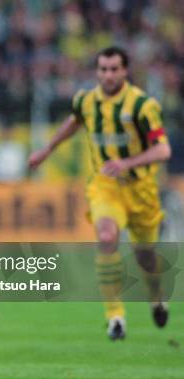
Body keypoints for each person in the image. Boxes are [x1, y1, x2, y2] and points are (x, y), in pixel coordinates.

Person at [28, 46, 171, 340]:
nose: (107, 75)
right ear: (97, 71)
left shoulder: (143, 106)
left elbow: (163, 149)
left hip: (141, 190)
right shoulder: (86, 100)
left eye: (114, 69)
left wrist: (126, 162)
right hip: (105, 186)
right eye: (103, 69)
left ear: (125, 71)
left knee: (145, 257)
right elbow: (74, 122)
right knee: (106, 237)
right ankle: (115, 316)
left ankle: (156, 297)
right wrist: (47, 149)